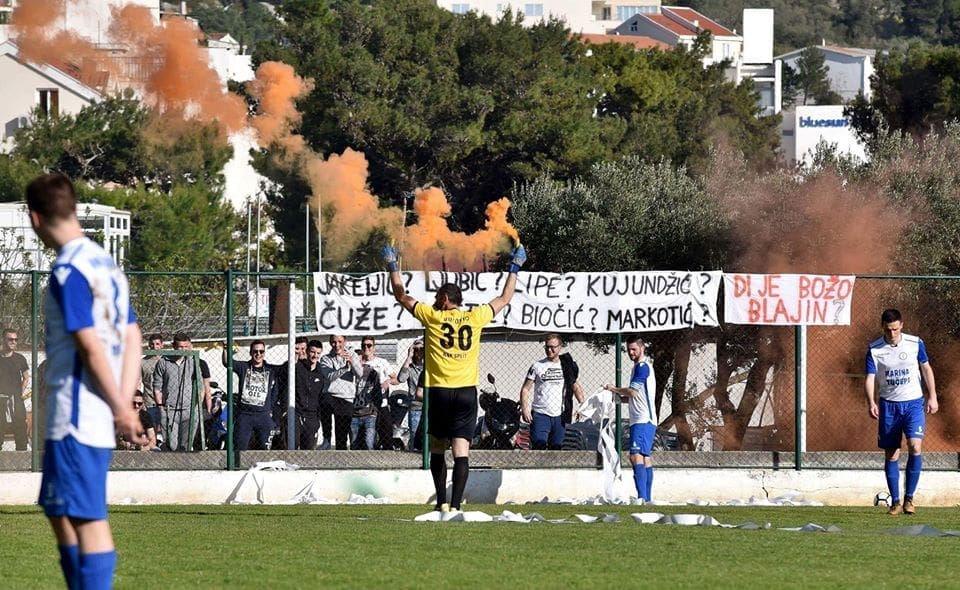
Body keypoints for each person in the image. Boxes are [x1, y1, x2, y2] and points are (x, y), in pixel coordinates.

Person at [29, 172, 146, 590]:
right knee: (59, 510)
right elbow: (133, 336)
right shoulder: (106, 265)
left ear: (35, 218)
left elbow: (90, 347)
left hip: (77, 413)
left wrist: (120, 408)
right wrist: (125, 401)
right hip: (97, 411)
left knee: (88, 519)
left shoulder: (68, 270)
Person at [384, 242, 525, 511]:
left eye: (438, 297)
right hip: (465, 393)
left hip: (439, 391)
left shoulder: (433, 316)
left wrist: (392, 266)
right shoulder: (475, 316)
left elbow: (401, 296)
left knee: (437, 448)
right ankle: (457, 506)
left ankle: (441, 503)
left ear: (446, 300)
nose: (436, 301)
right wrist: (515, 267)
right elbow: (505, 299)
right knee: (462, 451)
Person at [864, 308, 938, 516]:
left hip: (913, 403)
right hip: (889, 405)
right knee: (892, 453)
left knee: (915, 446)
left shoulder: (915, 343)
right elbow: (870, 378)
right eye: (888, 330)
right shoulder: (874, 349)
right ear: (883, 328)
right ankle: (895, 501)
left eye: (895, 329)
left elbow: (926, 368)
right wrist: (871, 402)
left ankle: (909, 499)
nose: (892, 334)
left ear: (902, 325)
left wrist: (932, 395)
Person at [604, 334, 656, 503]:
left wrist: (615, 388)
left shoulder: (642, 367)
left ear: (643, 348)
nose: (631, 353)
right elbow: (634, 396)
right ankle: (647, 499)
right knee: (644, 457)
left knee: (635, 456)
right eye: (628, 350)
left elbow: (632, 392)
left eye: (634, 349)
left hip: (642, 419)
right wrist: (614, 397)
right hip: (644, 418)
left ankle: (642, 497)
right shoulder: (639, 367)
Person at [519, 334, 585, 450]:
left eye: (553, 347)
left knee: (556, 448)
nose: (549, 350)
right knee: (539, 446)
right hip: (540, 414)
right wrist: (525, 409)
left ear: (560, 347)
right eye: (547, 347)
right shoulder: (537, 366)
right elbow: (525, 389)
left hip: (559, 415)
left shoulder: (566, 365)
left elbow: (575, 386)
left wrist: (582, 405)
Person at [154, 333, 210, 451]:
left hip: (189, 410)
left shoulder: (193, 362)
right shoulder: (163, 362)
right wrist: (161, 408)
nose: (184, 350)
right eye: (180, 347)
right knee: (172, 446)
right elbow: (157, 387)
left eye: (186, 347)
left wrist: (196, 406)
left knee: (186, 446)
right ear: (174, 346)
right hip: (169, 410)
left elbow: (201, 387)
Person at [223, 340, 282, 450]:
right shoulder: (243, 367)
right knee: (240, 447)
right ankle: (238, 466)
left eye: (261, 351)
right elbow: (228, 362)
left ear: (264, 353)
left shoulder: (271, 369)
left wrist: (296, 353)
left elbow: (288, 367)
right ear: (250, 352)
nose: (258, 354)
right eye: (255, 351)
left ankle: (262, 466)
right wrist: (226, 348)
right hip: (245, 415)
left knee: (265, 449)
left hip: (263, 416)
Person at [353, 336, 398, 450]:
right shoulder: (357, 362)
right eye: (364, 345)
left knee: (386, 431)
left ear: (374, 348)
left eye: (369, 345)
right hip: (362, 403)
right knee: (361, 438)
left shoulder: (382, 362)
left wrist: (388, 381)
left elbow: (396, 379)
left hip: (380, 402)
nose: (366, 348)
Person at [320, 335, 363, 450]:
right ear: (330, 343)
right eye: (334, 342)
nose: (337, 345)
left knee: (341, 434)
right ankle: (327, 439)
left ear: (345, 342)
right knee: (325, 401)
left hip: (346, 397)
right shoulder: (326, 358)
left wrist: (351, 362)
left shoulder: (352, 355)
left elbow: (360, 374)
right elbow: (329, 376)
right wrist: (344, 368)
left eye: (340, 341)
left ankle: (341, 458)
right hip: (330, 395)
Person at [0, 328, 30, 451]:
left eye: (16, 339)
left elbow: (26, 377)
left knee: (20, 429)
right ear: (3, 339)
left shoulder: (20, 358)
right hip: (0, 399)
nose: (14, 342)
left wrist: (20, 393)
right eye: (10, 339)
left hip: (16, 400)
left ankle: (22, 456)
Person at [294, 339, 324, 449]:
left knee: (308, 449)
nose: (315, 355)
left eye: (318, 353)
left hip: (313, 416)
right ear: (307, 351)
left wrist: (318, 417)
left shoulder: (321, 371)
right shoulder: (298, 367)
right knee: (293, 445)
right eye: (312, 352)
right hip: (297, 413)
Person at [397, 339, 425, 451]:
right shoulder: (410, 367)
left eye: (421, 349)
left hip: (430, 405)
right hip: (415, 406)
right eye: (415, 349)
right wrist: (409, 357)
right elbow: (401, 378)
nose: (418, 351)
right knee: (415, 434)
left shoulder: (431, 366)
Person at [139, 333, 164, 428]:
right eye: (152, 344)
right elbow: (138, 383)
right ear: (149, 345)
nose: (154, 347)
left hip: (166, 403)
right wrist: (141, 401)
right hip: (150, 402)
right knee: (151, 430)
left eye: (157, 344)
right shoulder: (143, 362)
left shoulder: (167, 360)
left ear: (162, 345)